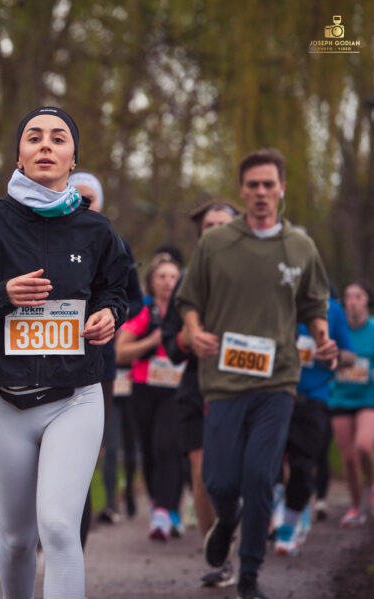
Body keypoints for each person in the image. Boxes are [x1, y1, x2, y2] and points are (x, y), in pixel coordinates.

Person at [0, 106, 129, 599]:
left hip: (75, 399)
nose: (46, 145)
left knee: (60, 527)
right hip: (1, 404)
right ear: (20, 158)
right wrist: (5, 293)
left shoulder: (96, 230)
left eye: (58, 138)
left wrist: (110, 314)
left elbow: (117, 289)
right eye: (34, 137)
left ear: (73, 158)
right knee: (19, 539)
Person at [177, 148, 336, 599]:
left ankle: (249, 574)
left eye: (270, 184)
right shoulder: (217, 243)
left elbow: (313, 304)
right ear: (243, 191)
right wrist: (195, 329)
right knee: (221, 481)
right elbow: (189, 301)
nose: (262, 193)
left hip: (277, 381)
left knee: (261, 476)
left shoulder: (300, 247)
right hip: (224, 381)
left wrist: (322, 336)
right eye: (253, 185)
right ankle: (226, 520)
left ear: (282, 189)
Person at [161, 199, 239, 586]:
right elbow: (171, 347)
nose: (216, 230)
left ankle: (244, 540)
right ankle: (220, 558)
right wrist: (190, 338)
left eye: (224, 224)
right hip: (197, 389)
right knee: (203, 475)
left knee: (237, 476)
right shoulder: (186, 283)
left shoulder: (255, 277)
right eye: (209, 225)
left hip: (246, 389)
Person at [69, 171, 143, 528]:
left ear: (101, 203)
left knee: (84, 452)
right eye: (76, 196)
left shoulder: (116, 244)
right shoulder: (49, 238)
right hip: (50, 359)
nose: (84, 204)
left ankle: (76, 529)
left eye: (90, 199)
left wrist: (111, 317)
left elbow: (134, 300)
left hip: (101, 363)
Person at [272, 279, 353, 556]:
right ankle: (272, 512)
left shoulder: (332, 309)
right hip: (272, 394)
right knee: (266, 463)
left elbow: (349, 357)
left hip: (313, 397)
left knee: (303, 465)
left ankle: (288, 530)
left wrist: (331, 353)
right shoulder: (272, 300)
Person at [116, 252, 184, 541]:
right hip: (144, 388)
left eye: (173, 277)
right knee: (150, 448)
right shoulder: (145, 312)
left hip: (177, 390)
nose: (168, 282)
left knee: (167, 446)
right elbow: (120, 351)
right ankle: (162, 505)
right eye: (162, 277)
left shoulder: (187, 312)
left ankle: (164, 513)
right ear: (151, 282)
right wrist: (152, 341)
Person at [330, 281, 374, 527]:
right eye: (348, 296)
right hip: (341, 396)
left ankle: (371, 486)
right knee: (348, 458)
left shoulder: (373, 330)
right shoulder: (337, 329)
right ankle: (356, 506)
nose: (352, 301)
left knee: (364, 447)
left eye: (358, 296)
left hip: (368, 397)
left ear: (367, 300)